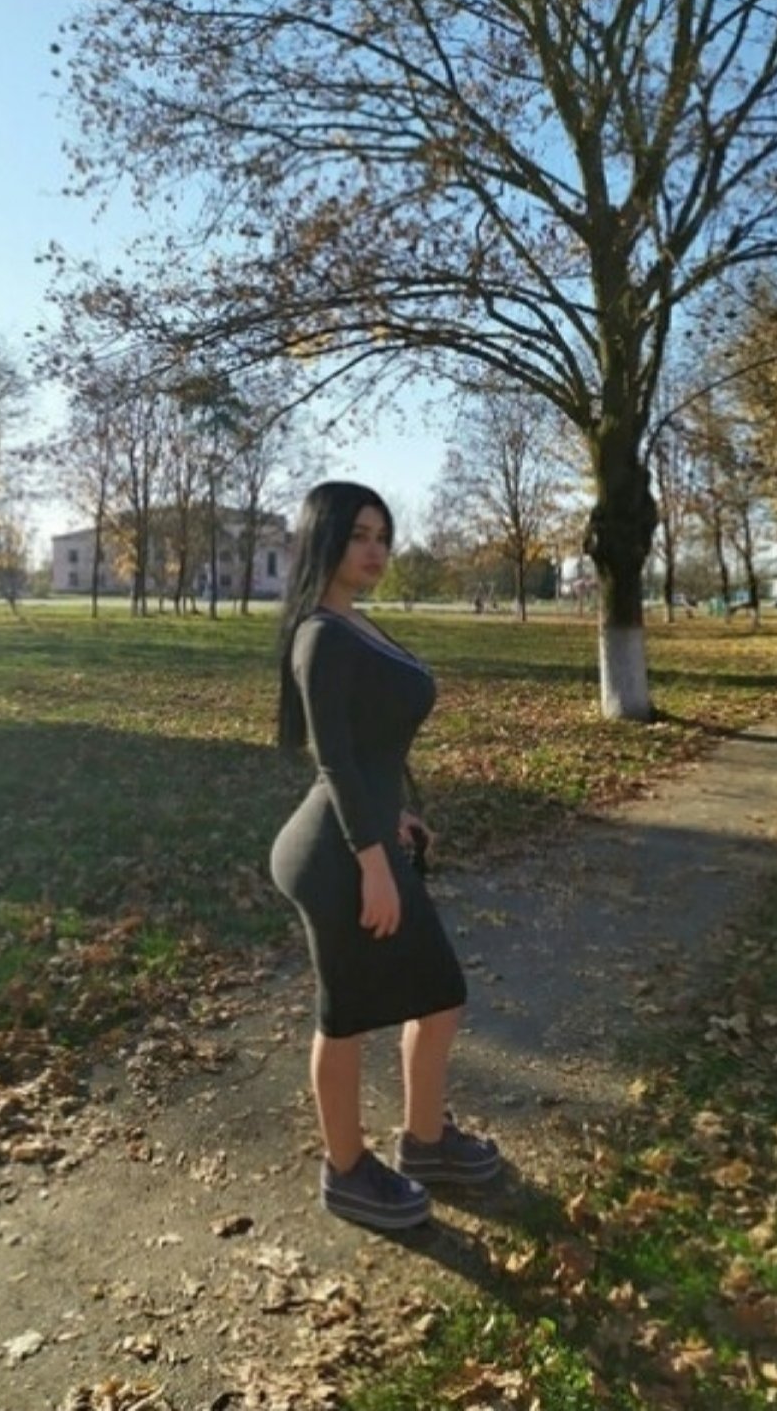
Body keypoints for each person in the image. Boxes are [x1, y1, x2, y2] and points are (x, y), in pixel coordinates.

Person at [271, 481, 499, 1231]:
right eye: (358, 535)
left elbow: (368, 746)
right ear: (326, 538)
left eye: (382, 536)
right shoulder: (321, 635)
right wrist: (373, 862)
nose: (374, 550)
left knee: (439, 996)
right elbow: (333, 760)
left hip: (364, 833)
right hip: (334, 857)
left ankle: (425, 1142)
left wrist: (393, 813)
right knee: (345, 1018)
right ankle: (345, 1172)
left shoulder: (356, 623)